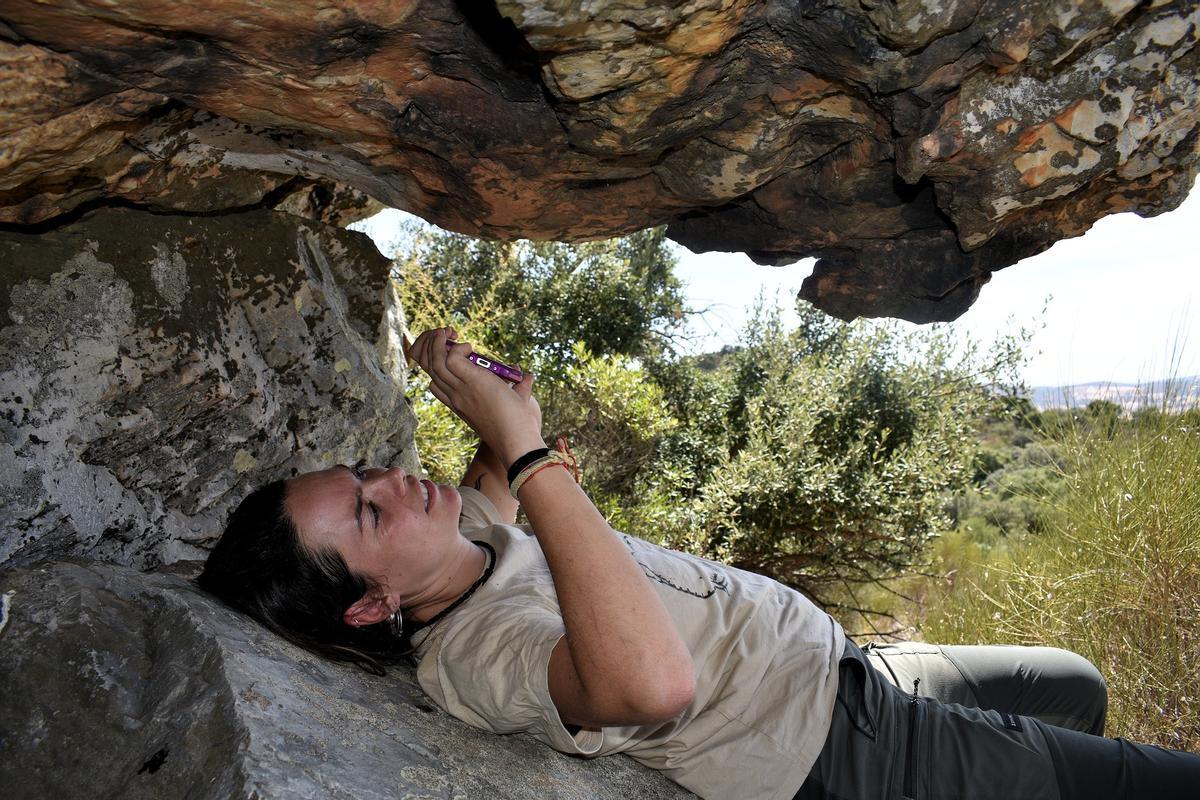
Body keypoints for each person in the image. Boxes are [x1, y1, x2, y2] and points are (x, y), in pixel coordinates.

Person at [200, 326, 1200, 800]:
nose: (393, 481)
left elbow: (497, 462)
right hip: (839, 751)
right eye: (370, 510)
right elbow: (649, 683)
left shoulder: (458, 529)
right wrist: (541, 461)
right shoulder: (477, 655)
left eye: (370, 467)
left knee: (1074, 681)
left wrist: (480, 387)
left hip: (847, 668)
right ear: (375, 606)